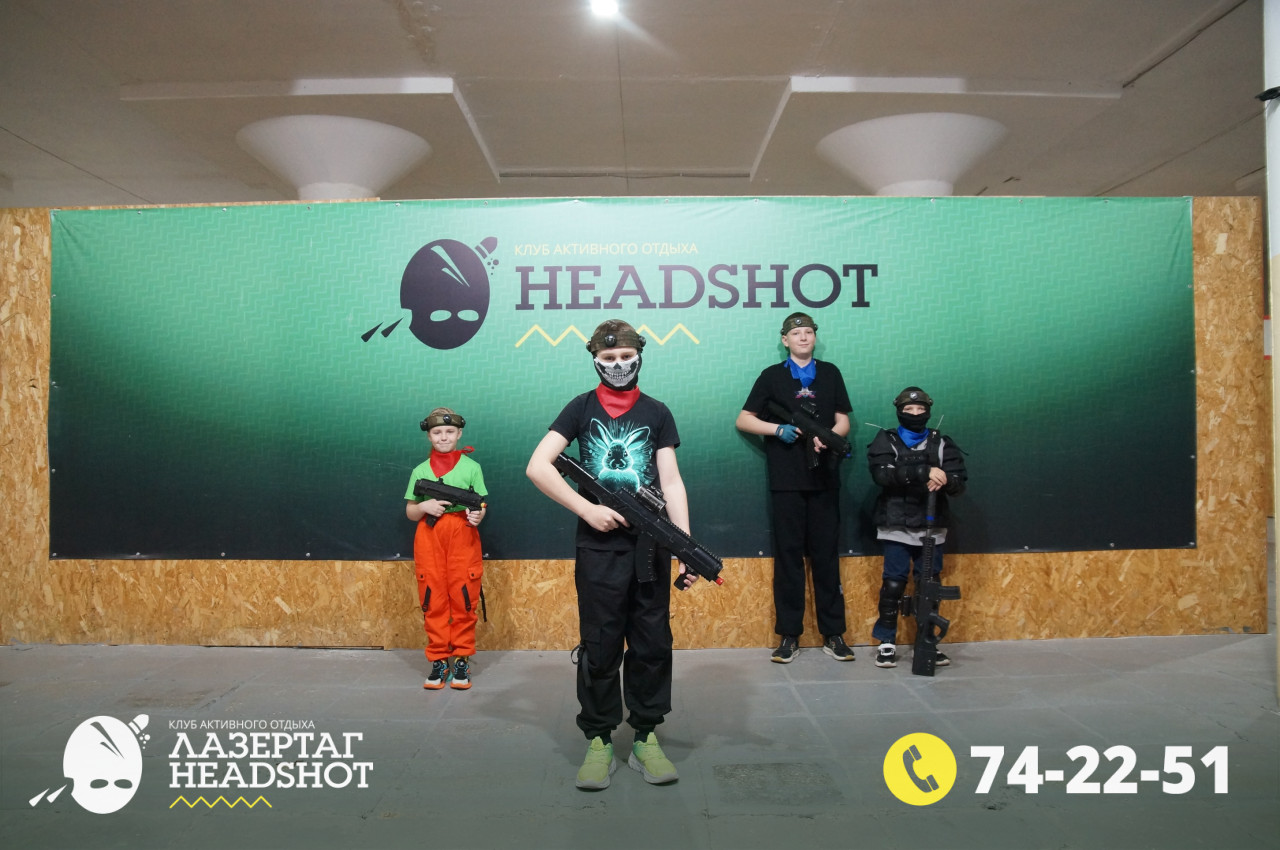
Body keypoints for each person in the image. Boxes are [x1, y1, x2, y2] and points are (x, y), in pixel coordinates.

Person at [526, 319, 695, 791]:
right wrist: (586, 508)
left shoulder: (657, 412)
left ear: (639, 356)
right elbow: (538, 466)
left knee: (651, 642)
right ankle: (599, 740)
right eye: (608, 358)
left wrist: (684, 543)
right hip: (598, 548)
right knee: (600, 645)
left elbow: (672, 481)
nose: (618, 365)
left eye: (625, 357)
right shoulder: (579, 408)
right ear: (595, 359)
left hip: (651, 549)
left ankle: (645, 736)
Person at [735, 312, 855, 664]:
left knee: (826, 557)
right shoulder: (771, 376)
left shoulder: (830, 373)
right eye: (796, 333)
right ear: (784, 340)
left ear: (815, 337)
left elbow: (844, 420)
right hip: (786, 481)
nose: (803, 337)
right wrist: (777, 430)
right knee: (788, 559)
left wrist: (828, 438)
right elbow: (744, 419)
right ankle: (789, 634)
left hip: (824, 479)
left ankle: (834, 633)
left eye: (808, 332)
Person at [867, 387, 967, 668]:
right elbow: (882, 475)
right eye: (908, 410)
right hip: (896, 524)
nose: (915, 414)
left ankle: (926, 641)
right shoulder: (886, 439)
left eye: (920, 409)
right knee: (893, 584)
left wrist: (945, 479)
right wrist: (922, 472)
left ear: (929, 411)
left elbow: (959, 482)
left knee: (929, 585)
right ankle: (887, 641)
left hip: (932, 527)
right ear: (899, 412)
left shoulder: (941, 443)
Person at [405, 407, 488, 690]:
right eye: (437, 432)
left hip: (463, 534)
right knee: (433, 598)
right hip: (429, 537)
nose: (444, 437)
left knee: (464, 596)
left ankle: (462, 658)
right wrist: (425, 506)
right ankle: (439, 659)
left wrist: (477, 516)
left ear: (459, 434)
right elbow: (410, 511)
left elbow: (481, 504)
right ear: (429, 436)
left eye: (449, 432)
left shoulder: (471, 467)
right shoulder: (420, 471)